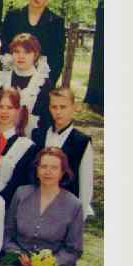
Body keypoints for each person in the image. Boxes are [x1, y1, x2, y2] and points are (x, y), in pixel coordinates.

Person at [0, 148, 83, 266]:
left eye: (54, 168)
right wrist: (17, 255)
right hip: (17, 262)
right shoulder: (21, 193)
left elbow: (74, 249)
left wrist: (46, 264)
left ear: (63, 172)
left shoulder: (73, 204)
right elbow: (8, 232)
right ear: (36, 170)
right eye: (43, 166)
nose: (47, 172)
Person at [31, 87, 94, 220]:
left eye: (63, 107)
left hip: (65, 209)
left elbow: (85, 185)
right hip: (37, 204)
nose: (58, 112)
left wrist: (79, 218)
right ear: (49, 108)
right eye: (54, 107)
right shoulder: (38, 135)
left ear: (73, 108)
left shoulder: (81, 142)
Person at [2, 0, 65, 86]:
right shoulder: (13, 16)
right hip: (11, 76)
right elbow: (4, 49)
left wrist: (47, 85)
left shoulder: (56, 22)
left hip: (41, 80)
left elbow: (57, 59)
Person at [0, 87, 38, 206]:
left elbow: (18, 183)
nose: (4, 112)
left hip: (3, 205)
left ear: (18, 111)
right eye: (0, 107)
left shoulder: (26, 147)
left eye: (10, 107)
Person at [0, 33, 51, 134]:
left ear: (35, 55)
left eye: (27, 52)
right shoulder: (2, 79)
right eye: (17, 51)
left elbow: (45, 121)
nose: (21, 56)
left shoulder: (42, 83)